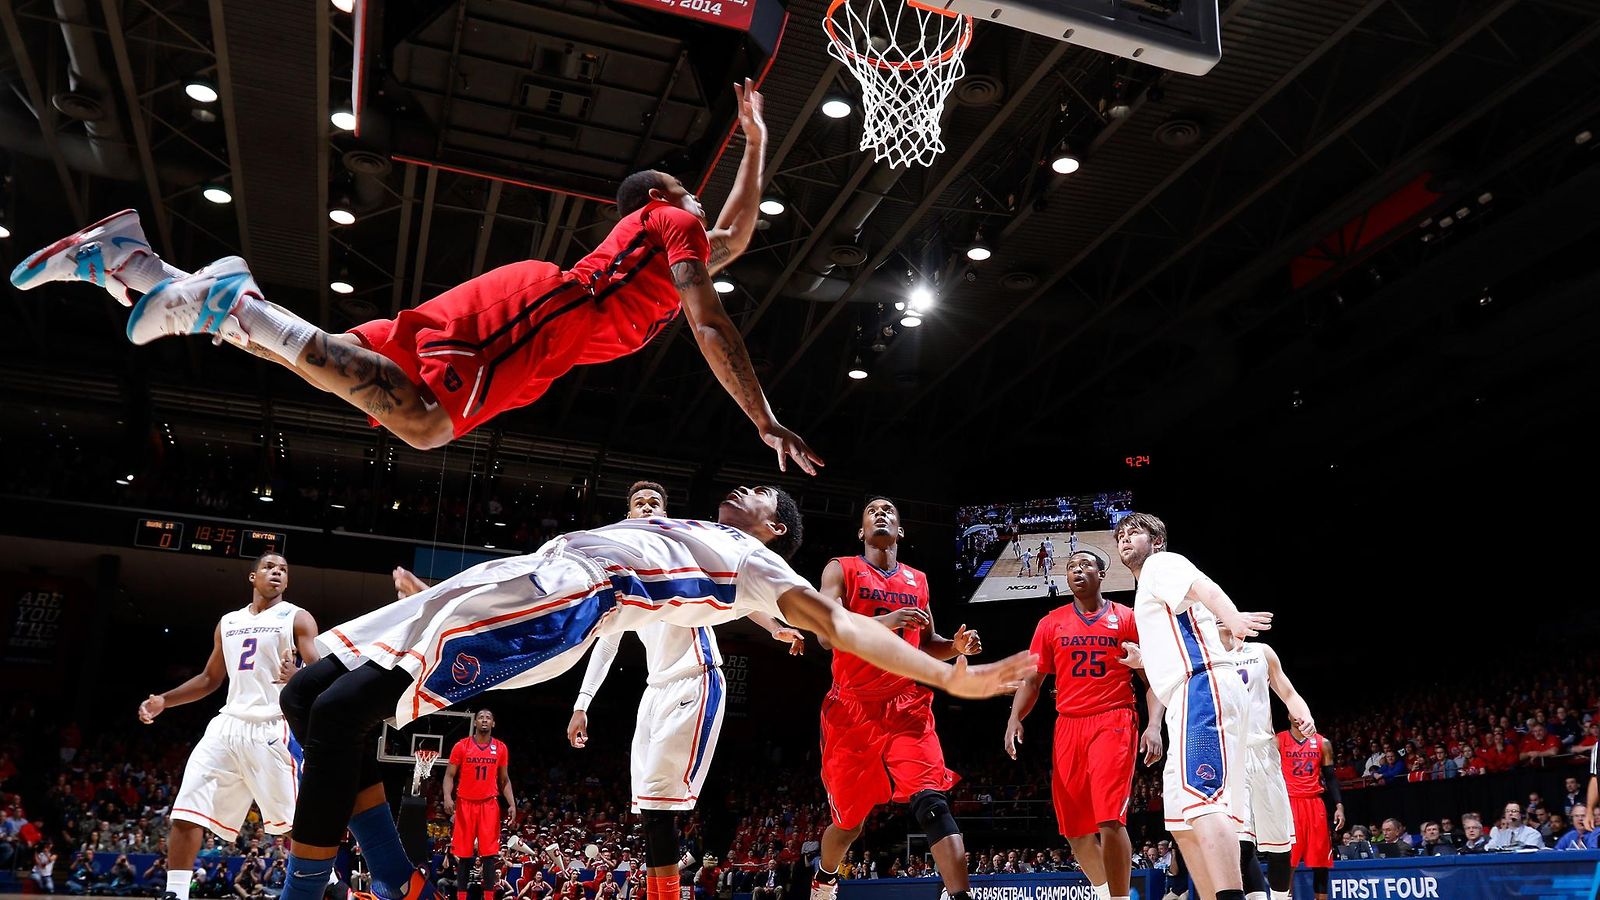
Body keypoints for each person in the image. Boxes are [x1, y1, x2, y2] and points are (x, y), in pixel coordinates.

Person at [13, 84, 819, 474]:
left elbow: (737, 234)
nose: (705, 212)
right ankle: (231, 297)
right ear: (659, 199)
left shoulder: (674, 236)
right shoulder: (663, 219)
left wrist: (754, 143)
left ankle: (128, 260)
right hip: (541, 316)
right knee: (426, 423)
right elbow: (711, 324)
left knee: (320, 363)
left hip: (534, 324)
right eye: (692, 195)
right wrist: (764, 417)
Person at [273, 486, 1033, 900]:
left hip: (575, 596)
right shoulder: (692, 520)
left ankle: (311, 889)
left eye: (764, 494)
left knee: (342, 713)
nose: (747, 488)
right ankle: (398, 877)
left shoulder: (760, 568)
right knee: (305, 697)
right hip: (526, 570)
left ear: (771, 532)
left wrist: (948, 675)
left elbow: (837, 624)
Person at [566, 482, 804, 900]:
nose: (647, 507)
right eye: (639, 502)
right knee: (650, 814)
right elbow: (606, 643)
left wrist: (776, 625)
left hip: (695, 677)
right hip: (654, 691)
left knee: (662, 807)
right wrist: (581, 705)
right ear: (627, 514)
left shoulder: (682, 551)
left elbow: (739, 592)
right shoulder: (623, 572)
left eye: (655, 502)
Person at [811, 497, 983, 900]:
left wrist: (956, 646)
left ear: (900, 531)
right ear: (862, 531)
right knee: (849, 823)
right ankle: (825, 876)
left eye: (889, 510)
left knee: (932, 802)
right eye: (872, 510)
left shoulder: (917, 580)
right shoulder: (841, 569)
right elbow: (824, 633)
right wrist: (884, 624)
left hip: (907, 704)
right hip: (852, 710)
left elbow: (927, 644)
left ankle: (959, 895)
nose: (881, 513)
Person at [137, 554, 318, 900]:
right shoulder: (228, 622)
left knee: (296, 824)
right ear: (253, 577)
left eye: (283, 569)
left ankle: (325, 887)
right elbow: (209, 679)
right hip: (227, 725)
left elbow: (320, 671)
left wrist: (300, 677)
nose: (277, 572)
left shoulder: (296, 618)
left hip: (272, 725)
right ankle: (176, 893)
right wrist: (164, 700)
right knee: (187, 809)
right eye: (269, 567)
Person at [1114, 513, 1271, 900]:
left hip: (1202, 686)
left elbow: (1203, 587)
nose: (1125, 538)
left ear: (1157, 541)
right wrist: (1143, 659)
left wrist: (1231, 617)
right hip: (1185, 697)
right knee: (1182, 821)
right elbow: (1178, 642)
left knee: (1203, 804)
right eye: (1120, 534)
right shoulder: (1149, 587)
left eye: (1135, 532)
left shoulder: (1160, 564)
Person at [1004, 549, 1160, 900]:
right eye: (1071, 566)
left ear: (1101, 573)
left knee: (1109, 819)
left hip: (1114, 719)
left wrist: (1154, 726)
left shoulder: (1126, 618)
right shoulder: (1050, 623)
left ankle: (1121, 898)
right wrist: (1015, 717)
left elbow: (1152, 680)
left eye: (1085, 564)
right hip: (1068, 725)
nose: (1076, 570)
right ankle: (1105, 893)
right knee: (1074, 830)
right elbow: (1032, 681)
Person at [1218, 627, 1315, 900]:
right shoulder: (1207, 655)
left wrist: (1304, 715)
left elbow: (1288, 691)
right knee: (1241, 843)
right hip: (1230, 756)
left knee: (1280, 844)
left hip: (1264, 753)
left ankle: (1281, 897)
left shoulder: (1261, 651)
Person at [442, 710, 516, 900]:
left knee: (489, 855)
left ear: (493, 724)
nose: (484, 720)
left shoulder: (500, 748)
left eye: (488, 717)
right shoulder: (461, 746)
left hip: (489, 804)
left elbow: (505, 780)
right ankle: (461, 897)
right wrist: (447, 797)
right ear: (475, 723)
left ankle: (489, 897)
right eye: (481, 717)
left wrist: (512, 804)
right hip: (465, 804)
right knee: (465, 856)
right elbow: (449, 775)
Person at [1277, 724, 1341, 900]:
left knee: (1321, 861)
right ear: (1289, 716)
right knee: (1288, 860)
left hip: (1314, 803)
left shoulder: (1323, 743)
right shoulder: (1278, 740)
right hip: (1289, 803)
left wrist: (1339, 805)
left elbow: (1330, 777)